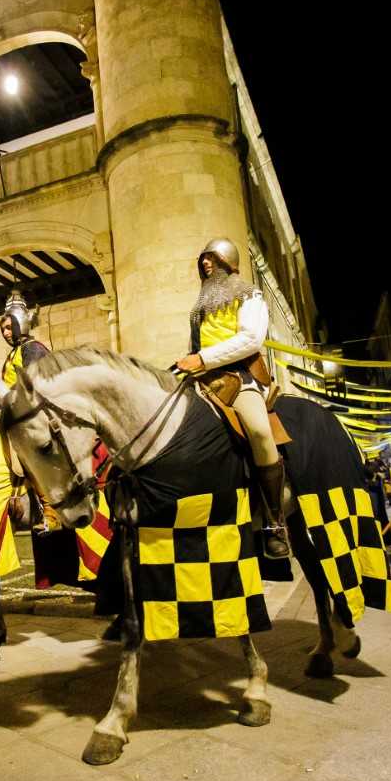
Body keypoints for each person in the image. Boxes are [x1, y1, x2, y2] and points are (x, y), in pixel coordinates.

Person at [174, 238, 289, 559]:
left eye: (211, 258)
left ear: (228, 261)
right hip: (202, 379)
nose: (206, 263)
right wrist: (188, 361)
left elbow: (251, 339)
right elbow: (194, 348)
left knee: (259, 432)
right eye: (203, 259)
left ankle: (274, 524)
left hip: (237, 379)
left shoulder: (248, 293)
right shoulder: (199, 307)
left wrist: (204, 359)